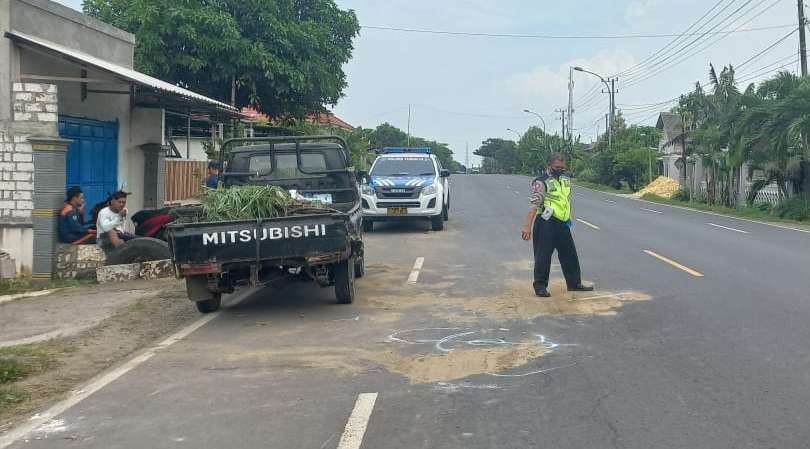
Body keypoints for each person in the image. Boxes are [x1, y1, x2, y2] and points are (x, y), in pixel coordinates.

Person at [521, 153, 594, 297]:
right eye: (556, 167)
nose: (559, 169)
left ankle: (574, 283)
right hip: (545, 223)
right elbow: (534, 205)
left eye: (562, 167)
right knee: (543, 256)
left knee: (570, 254)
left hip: (562, 223)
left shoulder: (565, 180)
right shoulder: (541, 182)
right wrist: (527, 227)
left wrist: (567, 218)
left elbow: (564, 201)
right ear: (548, 166)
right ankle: (540, 286)